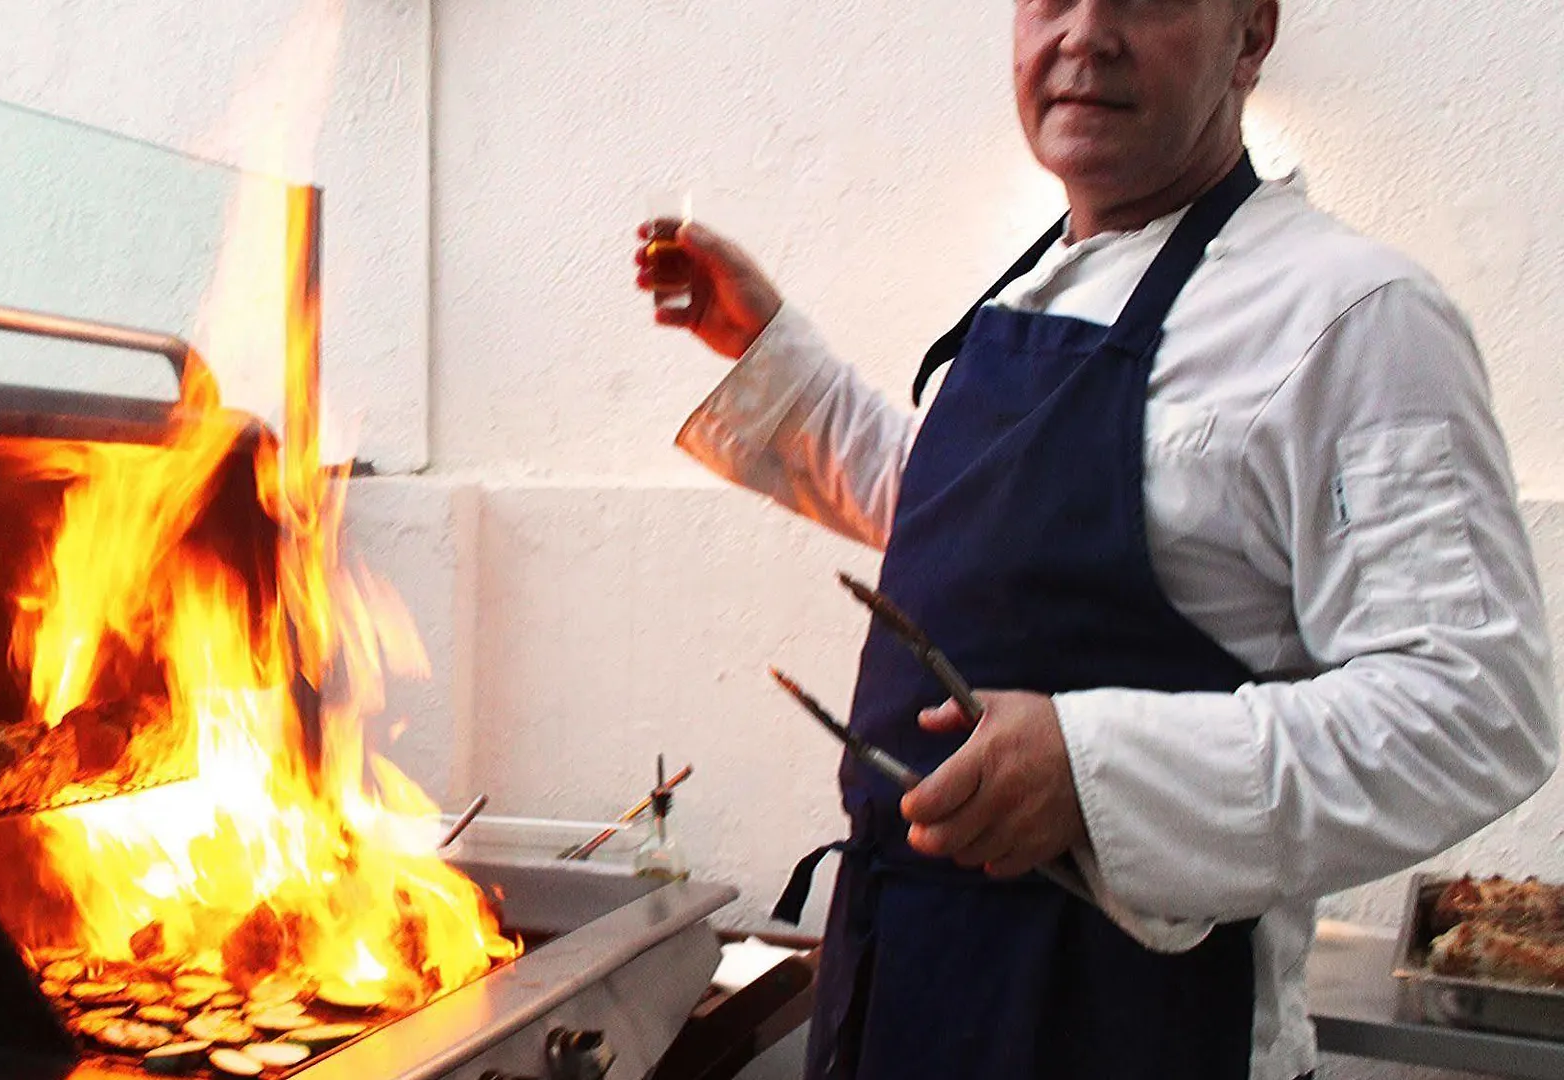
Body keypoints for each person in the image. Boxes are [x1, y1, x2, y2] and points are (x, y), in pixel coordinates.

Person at [634, 1, 1557, 1079]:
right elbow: (965, 528)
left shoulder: (1355, 317)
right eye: (1050, 0)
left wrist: (1093, 769)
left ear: (1250, 36)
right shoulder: (1029, 282)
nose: (1085, 34)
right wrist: (771, 352)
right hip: (909, 996)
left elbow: (1474, 707)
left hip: (1137, 1030)